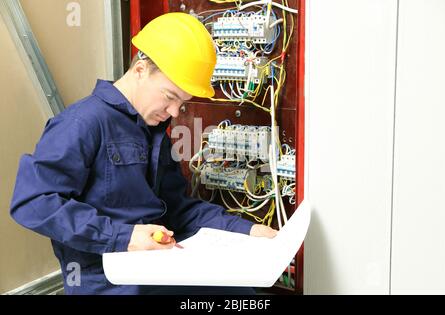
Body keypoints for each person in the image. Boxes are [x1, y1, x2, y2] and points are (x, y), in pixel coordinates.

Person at [9, 12, 277, 295]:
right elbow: (32, 201)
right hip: (108, 280)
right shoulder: (82, 123)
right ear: (140, 69)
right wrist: (123, 237)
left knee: (244, 292)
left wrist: (247, 231)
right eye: (170, 96)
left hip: (158, 268)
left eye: (182, 102)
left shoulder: (154, 130)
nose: (174, 112)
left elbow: (178, 209)